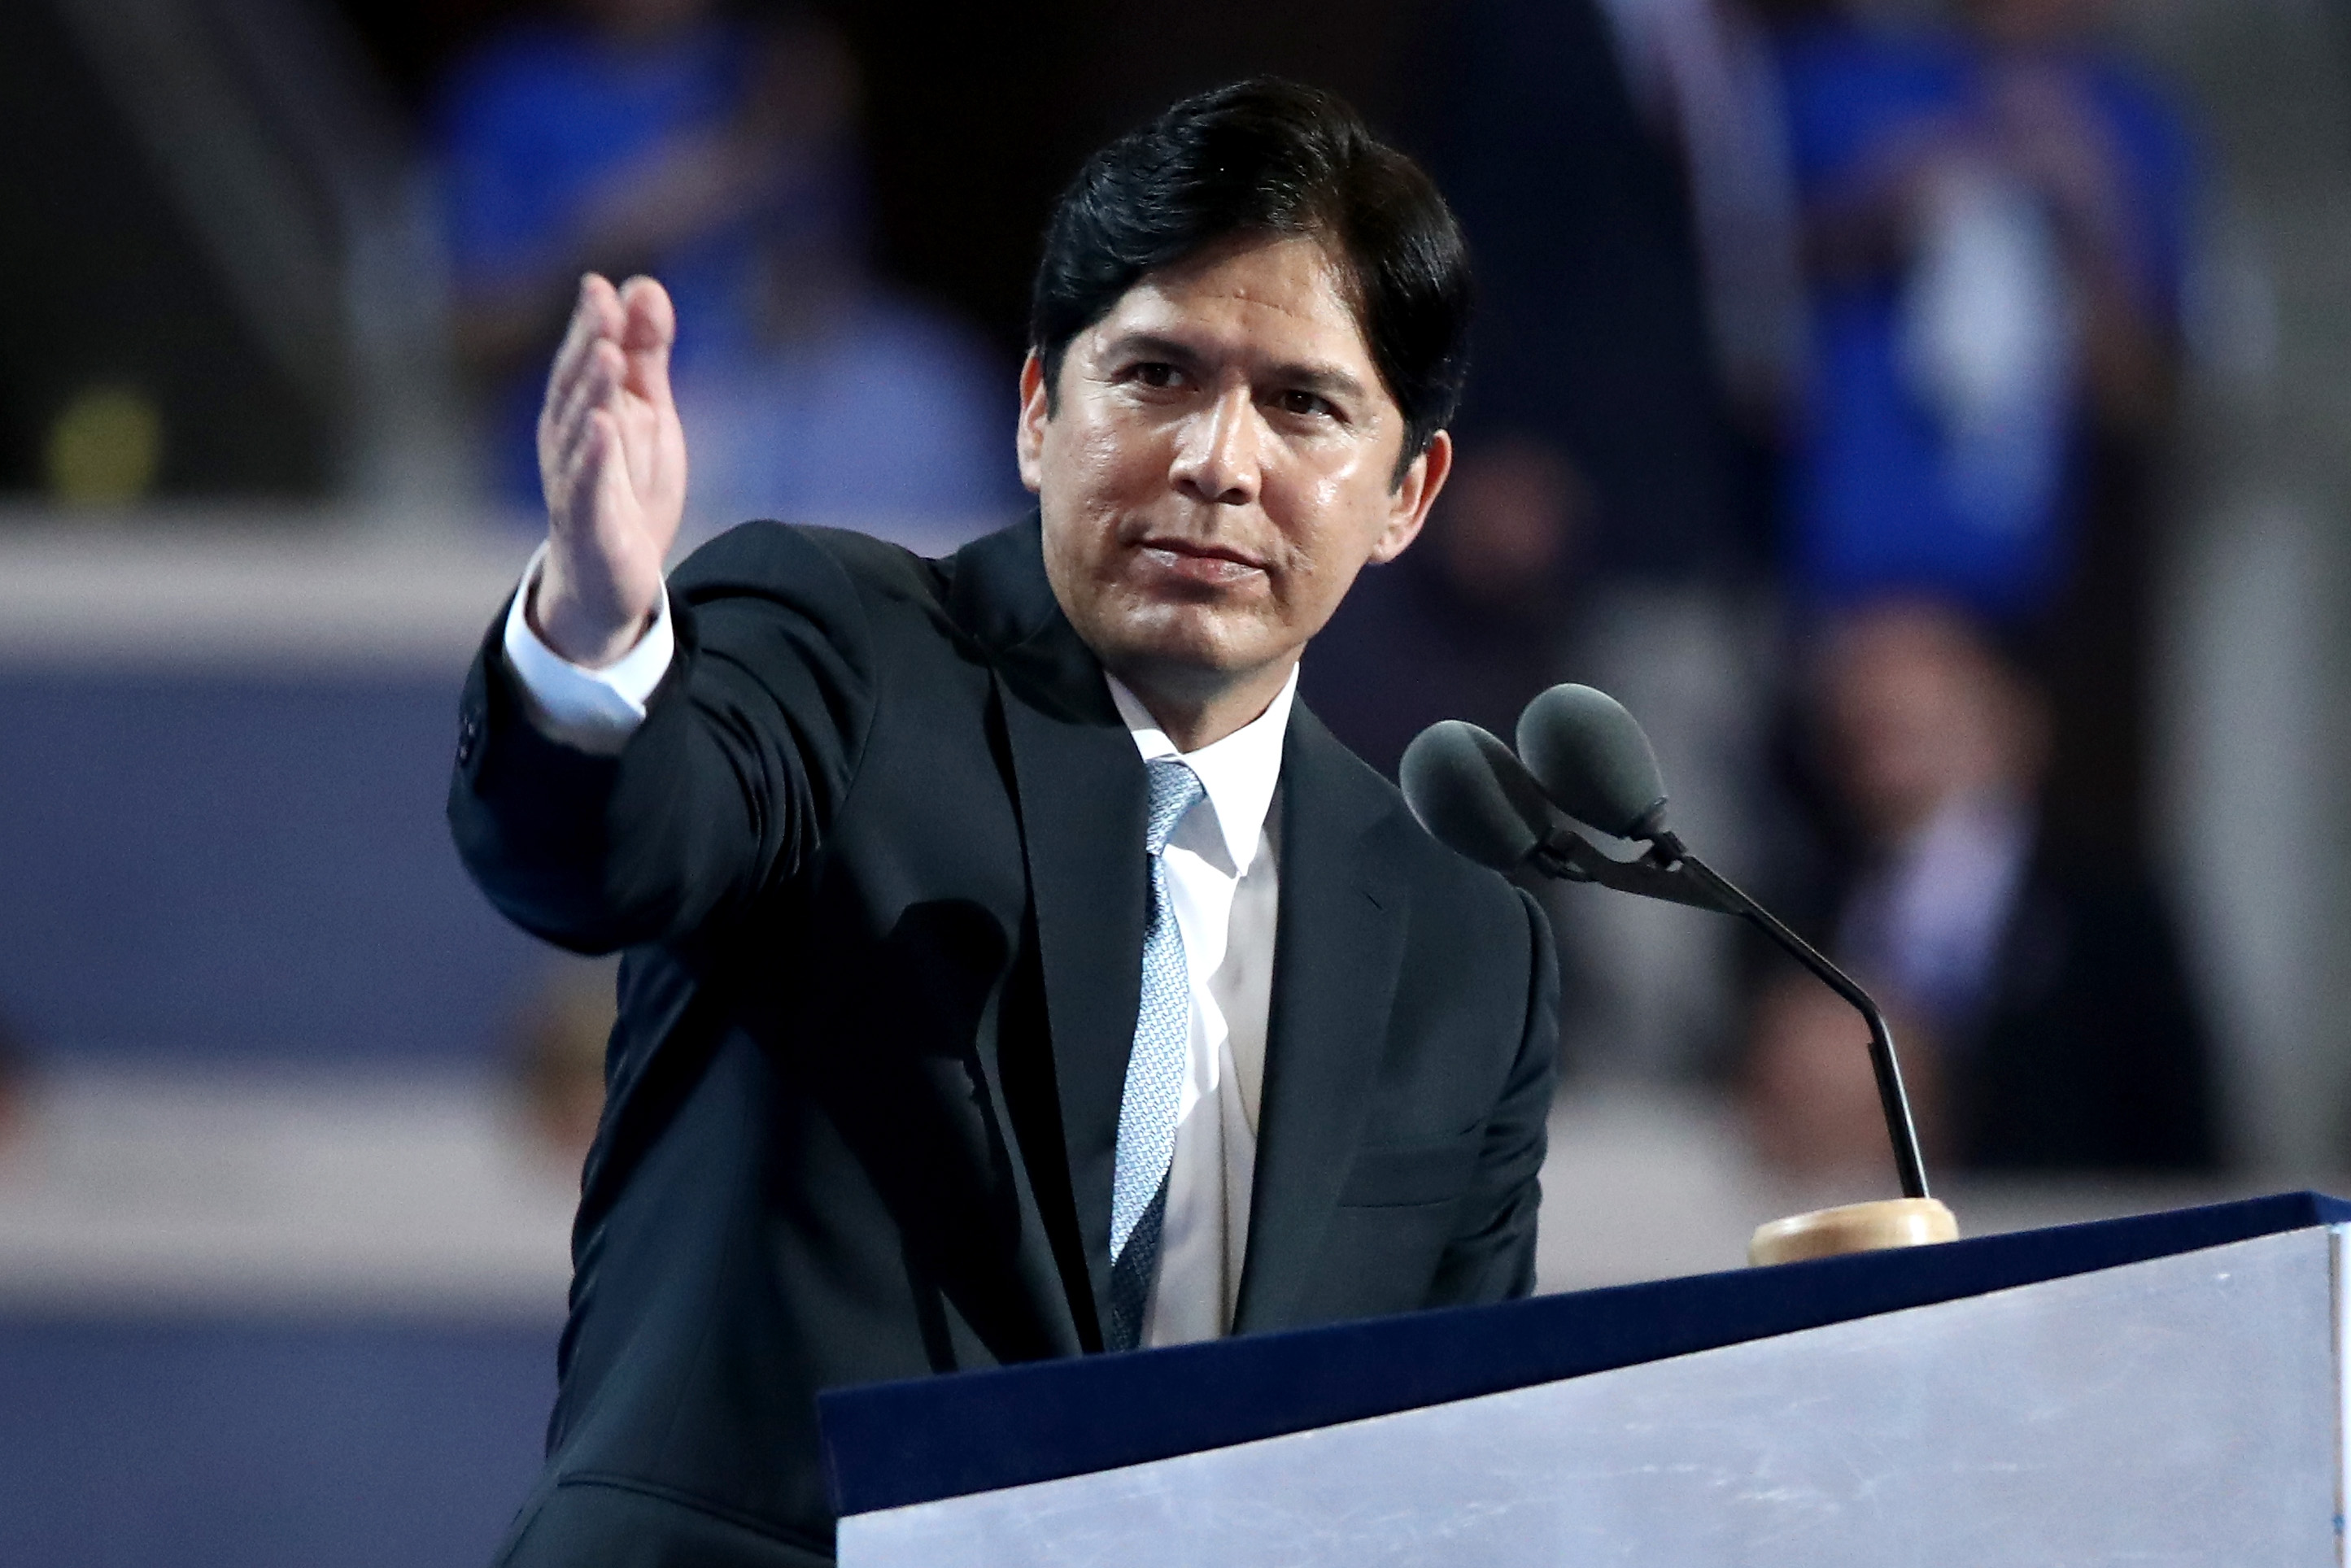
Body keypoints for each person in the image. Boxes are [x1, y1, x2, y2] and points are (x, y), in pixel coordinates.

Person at [448, 81, 1558, 1566]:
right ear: (1042, 412)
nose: (1218, 462)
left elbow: (1441, 1472)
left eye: (1303, 404)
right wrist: (595, 626)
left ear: (1407, 490)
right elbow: (605, 848)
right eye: (1158, 375)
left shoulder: (1461, 940)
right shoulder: (841, 647)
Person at [1742, 598, 2217, 1176]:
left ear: (2013, 723)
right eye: (1868, 738)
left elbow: (2180, 1113)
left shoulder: (2105, 908)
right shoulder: (1804, 904)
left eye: (1918, 730)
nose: (1892, 768)